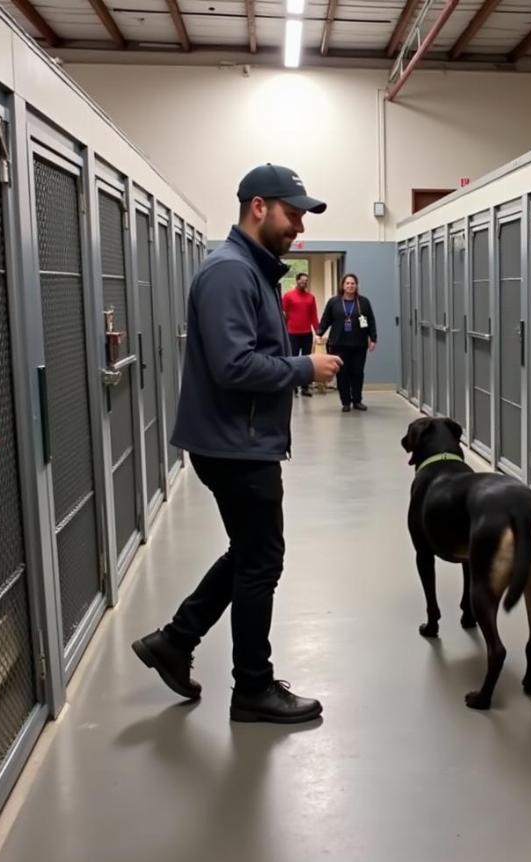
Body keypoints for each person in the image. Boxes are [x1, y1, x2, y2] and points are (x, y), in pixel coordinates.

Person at [131, 164, 342, 725]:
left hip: (239, 439)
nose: (298, 225)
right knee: (261, 561)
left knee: (249, 552)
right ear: (258, 207)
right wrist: (305, 367)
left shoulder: (251, 270)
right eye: (292, 212)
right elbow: (233, 365)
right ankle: (251, 687)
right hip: (234, 444)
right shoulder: (230, 272)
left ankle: (175, 641)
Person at [316, 273, 377, 412]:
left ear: (356, 286)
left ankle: (357, 400)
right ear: (342, 286)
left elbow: (370, 321)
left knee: (357, 372)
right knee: (342, 373)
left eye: (353, 283)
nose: (350, 286)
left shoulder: (363, 302)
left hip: (359, 344)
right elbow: (326, 319)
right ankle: (345, 402)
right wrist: (319, 332)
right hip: (339, 343)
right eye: (347, 283)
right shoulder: (334, 302)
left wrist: (373, 338)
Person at [282, 271, 319, 397]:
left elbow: (313, 315)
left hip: (306, 333)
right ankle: (292, 386)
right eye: (301, 280)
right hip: (292, 333)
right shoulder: (288, 296)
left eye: (306, 281)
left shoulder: (311, 297)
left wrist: (318, 330)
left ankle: (305, 387)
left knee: (307, 360)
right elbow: (283, 314)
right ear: (297, 281)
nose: (304, 283)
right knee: (292, 359)